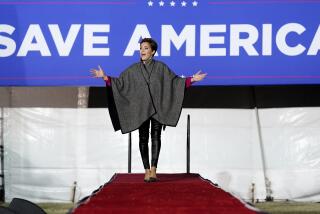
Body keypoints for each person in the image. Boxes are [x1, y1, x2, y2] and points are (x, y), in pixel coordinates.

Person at [90, 38, 206, 182]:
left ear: (153, 51)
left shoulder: (161, 68)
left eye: (145, 48)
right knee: (143, 138)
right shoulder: (133, 70)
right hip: (141, 108)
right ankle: (146, 170)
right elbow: (120, 83)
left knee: (156, 136)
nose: (142, 51)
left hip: (158, 108)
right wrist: (105, 77)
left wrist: (192, 79)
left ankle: (153, 170)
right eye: (141, 48)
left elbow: (175, 83)